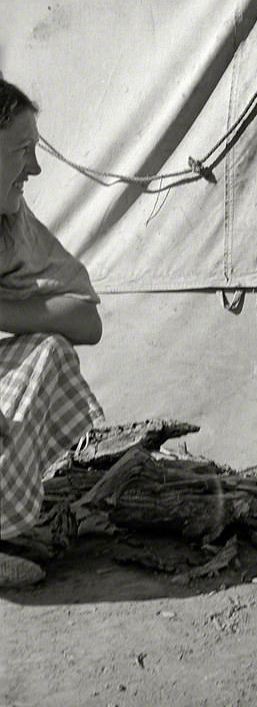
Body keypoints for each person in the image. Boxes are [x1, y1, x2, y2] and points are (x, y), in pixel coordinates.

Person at [0, 79, 104, 586]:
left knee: (46, 352)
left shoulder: (10, 221)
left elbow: (85, 317)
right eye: (23, 151)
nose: (35, 169)